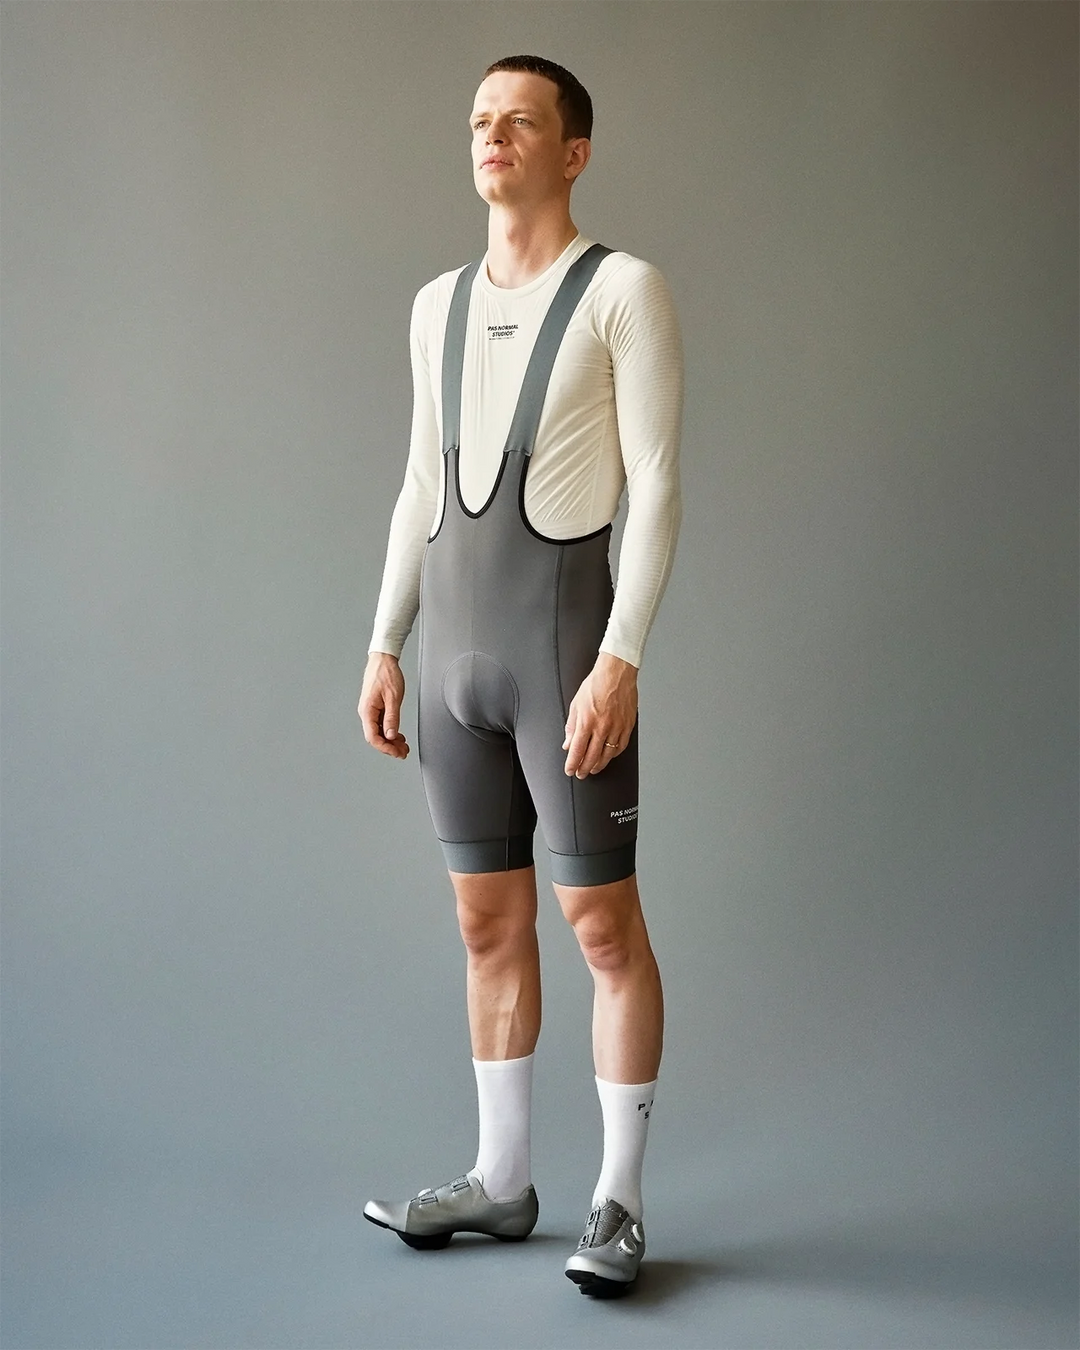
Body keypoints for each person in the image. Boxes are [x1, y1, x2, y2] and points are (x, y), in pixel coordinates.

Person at [358, 53, 683, 1297]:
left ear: (574, 151)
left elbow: (657, 485)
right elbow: (417, 485)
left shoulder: (623, 291)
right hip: (450, 661)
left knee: (600, 925)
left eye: (521, 122)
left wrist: (621, 657)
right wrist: (384, 641)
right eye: (480, 121)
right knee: (484, 924)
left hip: (563, 658)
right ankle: (502, 1181)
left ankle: (620, 1201)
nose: (492, 136)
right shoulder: (435, 305)